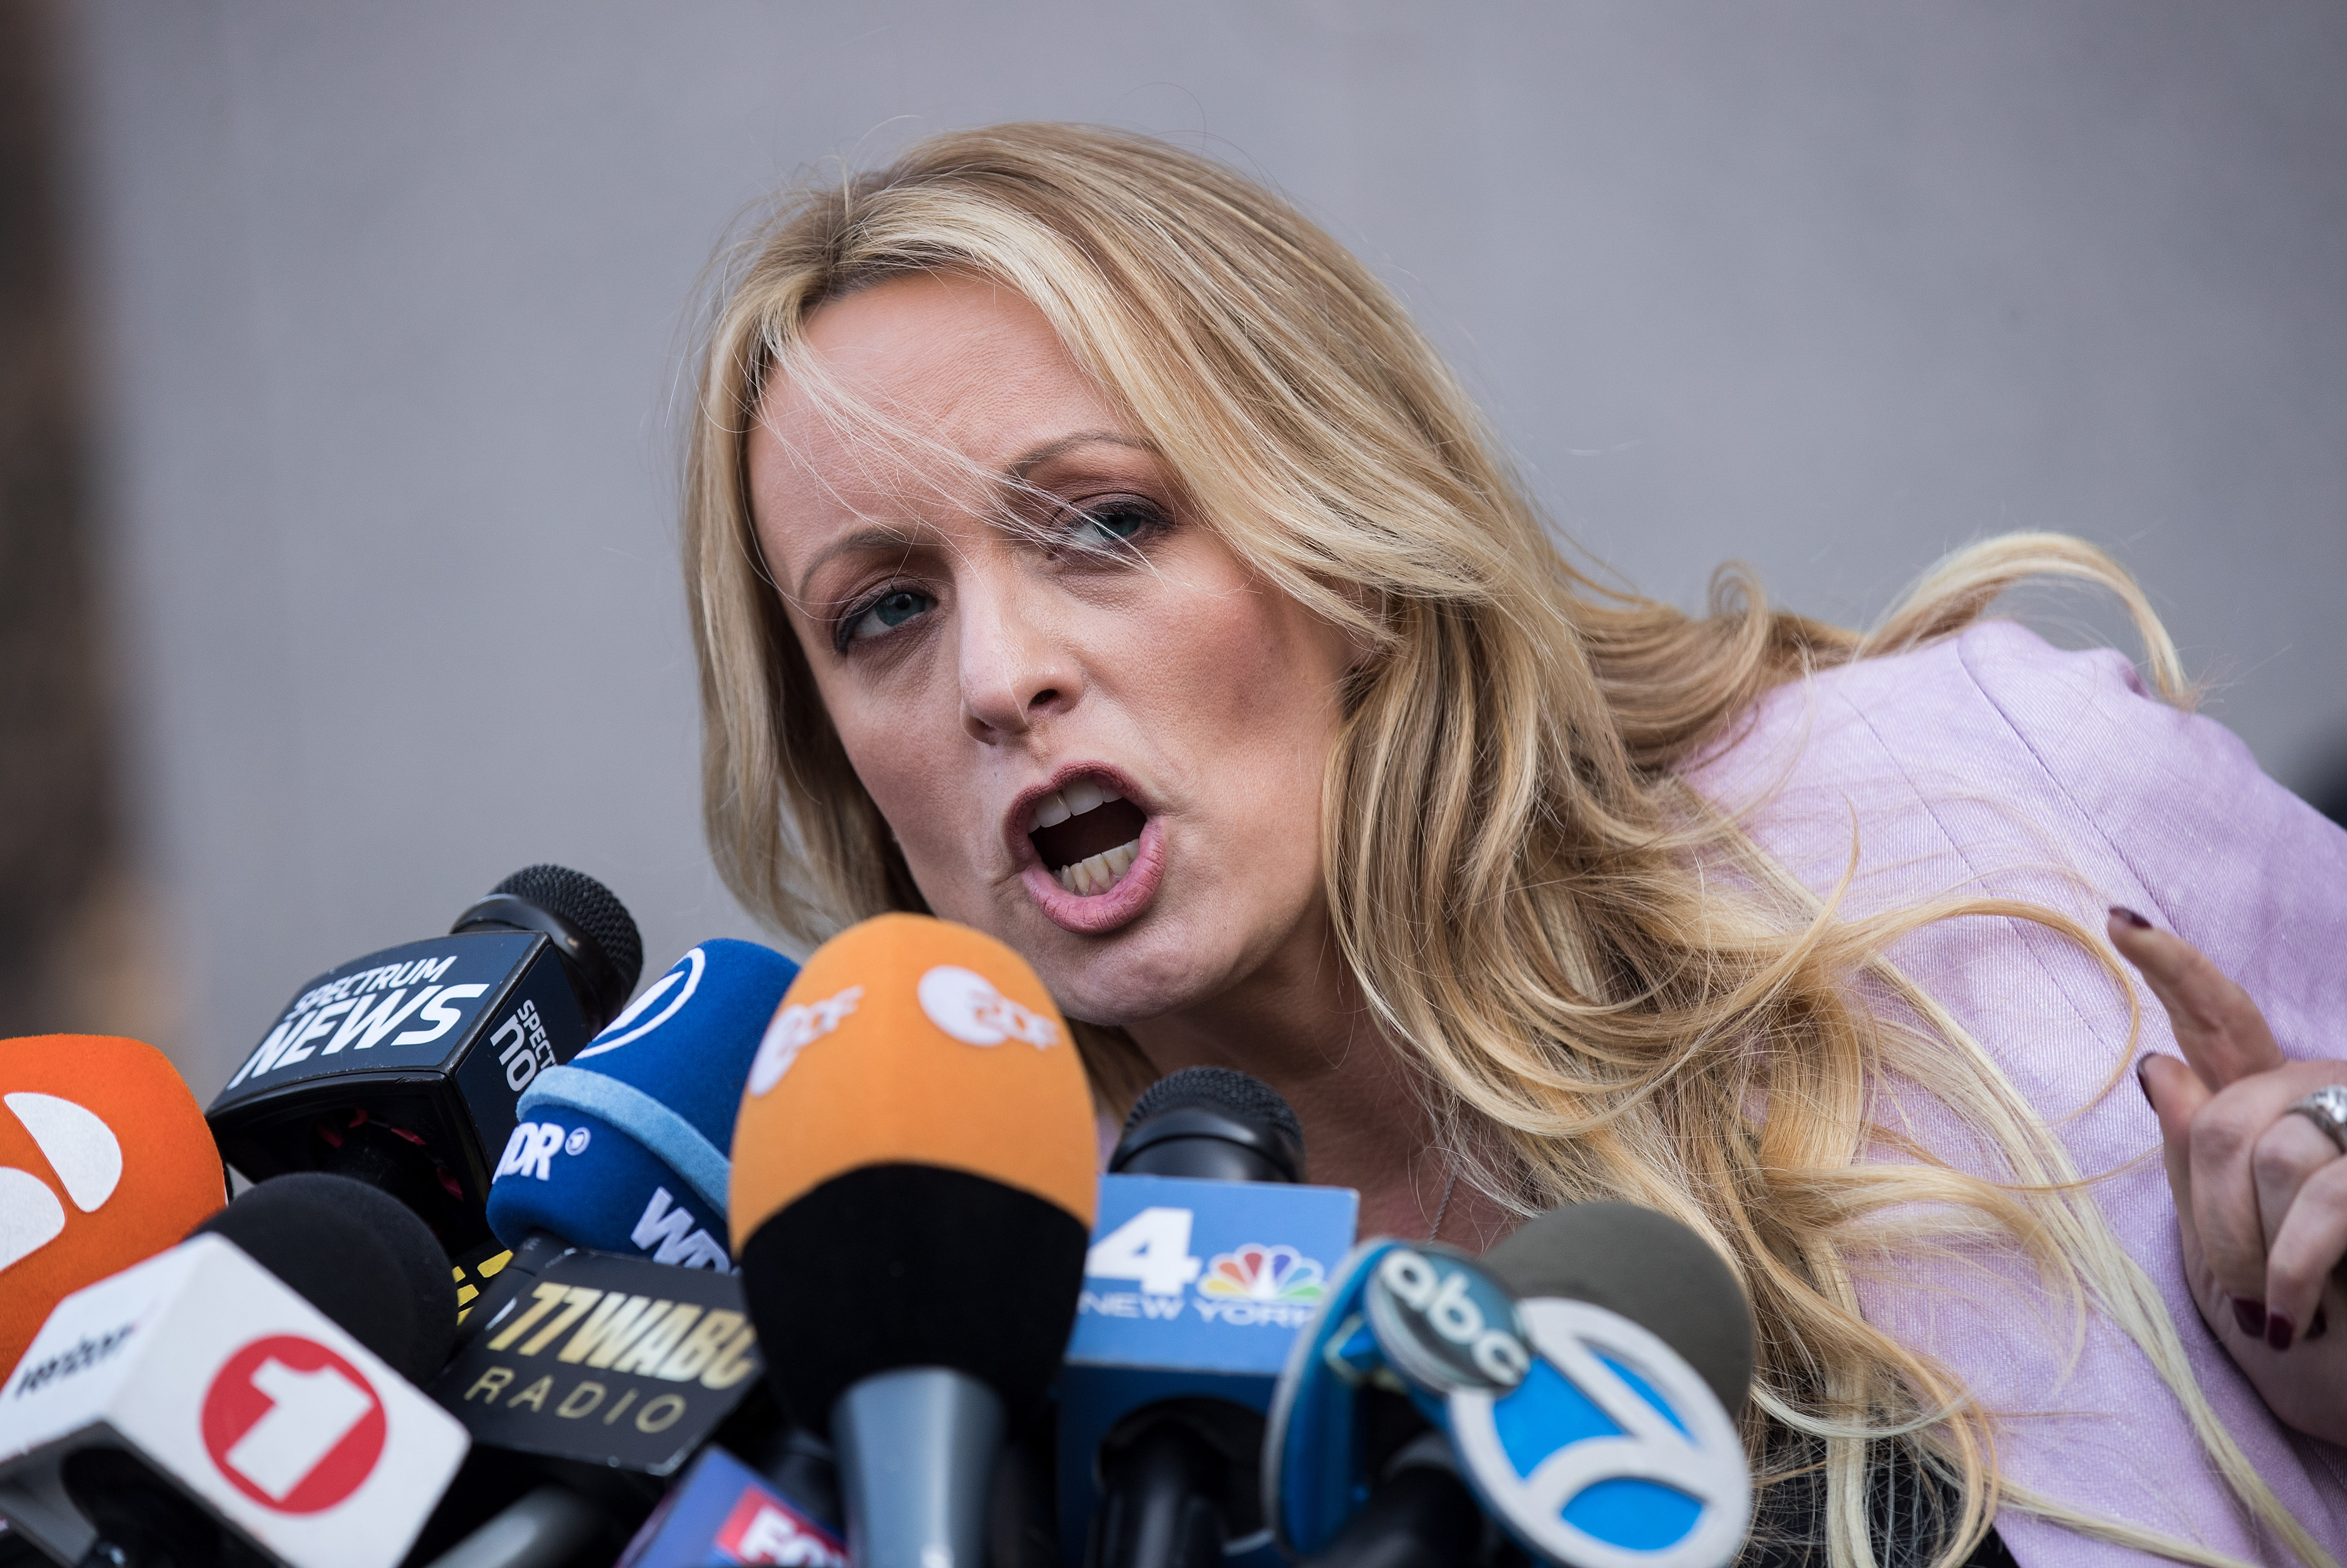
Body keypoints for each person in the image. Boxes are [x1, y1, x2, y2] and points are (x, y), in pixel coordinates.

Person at [677, 124, 2347, 1567]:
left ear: (1348, 532)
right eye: (886, 609)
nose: (997, 676)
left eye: (1108, 522)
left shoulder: (1991, 799)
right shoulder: (971, 1385)